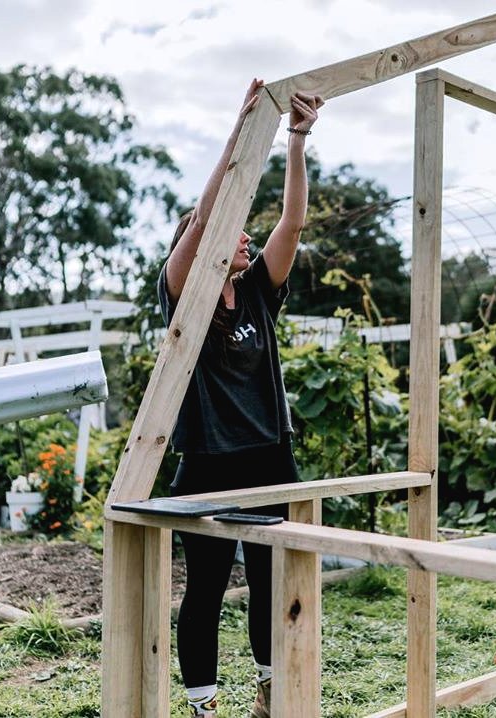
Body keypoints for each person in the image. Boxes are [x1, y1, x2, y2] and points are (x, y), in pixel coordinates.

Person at [157, 79, 323, 717]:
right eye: (236, 230)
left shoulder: (255, 290)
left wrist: (297, 140)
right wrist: (241, 128)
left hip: (267, 455)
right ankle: (203, 705)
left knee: (270, 580)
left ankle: (269, 694)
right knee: (204, 588)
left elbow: (292, 222)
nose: (246, 237)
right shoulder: (186, 294)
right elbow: (204, 221)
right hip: (209, 460)